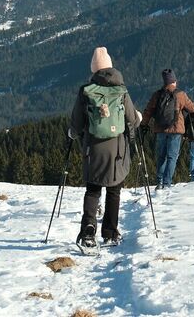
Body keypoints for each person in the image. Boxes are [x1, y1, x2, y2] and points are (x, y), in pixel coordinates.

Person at [69, 47, 140, 249]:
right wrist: (139, 118)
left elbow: (76, 124)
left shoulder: (86, 92)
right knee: (114, 191)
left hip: (93, 149)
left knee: (93, 191)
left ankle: (88, 232)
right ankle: (110, 233)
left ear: (94, 70)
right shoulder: (122, 91)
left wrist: (71, 134)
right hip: (117, 150)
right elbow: (132, 120)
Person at [140, 68, 194, 190]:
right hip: (175, 130)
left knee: (161, 157)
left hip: (160, 130)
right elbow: (192, 108)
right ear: (174, 81)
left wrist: (144, 124)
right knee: (172, 157)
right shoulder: (180, 95)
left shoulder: (157, 95)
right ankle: (167, 183)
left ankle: (159, 182)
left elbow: (148, 111)